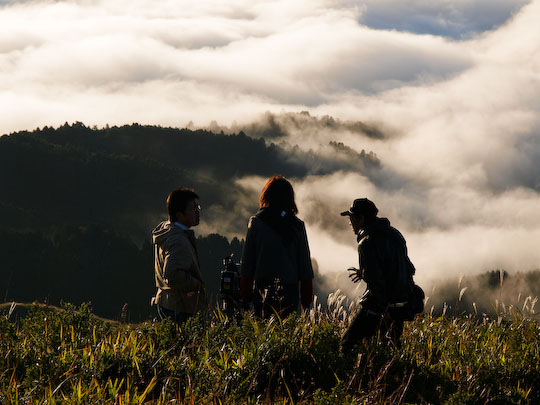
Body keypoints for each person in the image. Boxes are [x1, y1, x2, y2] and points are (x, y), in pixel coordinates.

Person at [340, 198, 417, 350]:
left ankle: (361, 373)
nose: (350, 224)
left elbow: (377, 282)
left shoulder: (366, 243)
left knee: (349, 344)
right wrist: (364, 273)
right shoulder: (395, 235)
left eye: (352, 219)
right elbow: (404, 269)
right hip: (401, 304)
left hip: (380, 307)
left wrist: (383, 310)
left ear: (361, 219)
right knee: (390, 348)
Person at [240, 175, 314, 318]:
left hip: (262, 291)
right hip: (290, 293)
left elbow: (247, 264)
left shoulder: (256, 223)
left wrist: (245, 297)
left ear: (266, 195)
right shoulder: (297, 226)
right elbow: (305, 266)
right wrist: (306, 302)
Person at [151, 188, 208, 324]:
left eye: (197, 207)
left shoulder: (168, 229)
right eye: (193, 208)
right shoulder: (178, 240)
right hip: (180, 307)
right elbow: (172, 275)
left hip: (168, 302)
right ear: (180, 215)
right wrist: (197, 285)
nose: (197, 211)